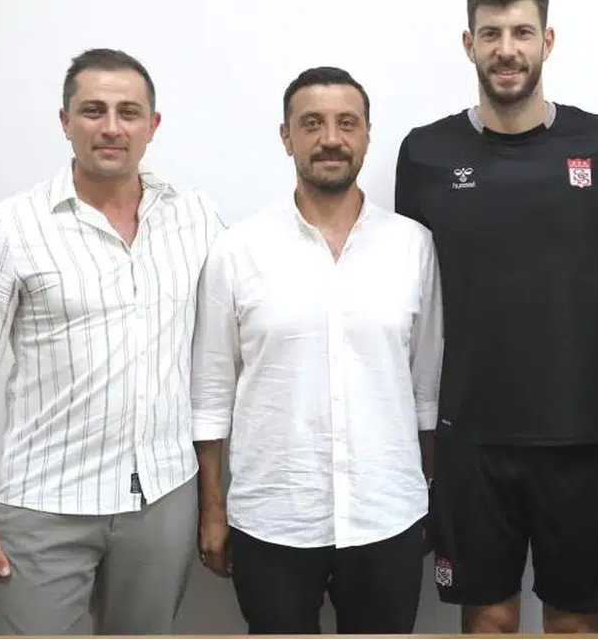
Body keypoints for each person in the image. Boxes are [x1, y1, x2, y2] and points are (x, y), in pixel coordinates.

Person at [393, 0, 598, 634]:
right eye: (491, 34)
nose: (507, 49)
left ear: (547, 40)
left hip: (580, 434)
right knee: (489, 619)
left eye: (521, 32)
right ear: (469, 44)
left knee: (573, 621)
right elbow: (405, 284)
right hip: (470, 434)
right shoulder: (426, 154)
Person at [0, 48, 226, 635]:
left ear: (152, 125)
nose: (111, 127)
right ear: (65, 121)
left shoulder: (196, 218)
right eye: (93, 111)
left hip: (162, 497)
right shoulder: (11, 228)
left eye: (128, 112)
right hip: (46, 502)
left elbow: (229, 337)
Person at [190, 66, 443, 635]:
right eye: (312, 124)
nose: (331, 138)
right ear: (286, 137)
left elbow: (426, 387)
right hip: (273, 517)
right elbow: (210, 394)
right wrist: (212, 507)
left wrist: (432, 493)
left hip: (387, 512)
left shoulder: (412, 247)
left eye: (346, 123)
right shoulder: (238, 250)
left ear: (367, 135)